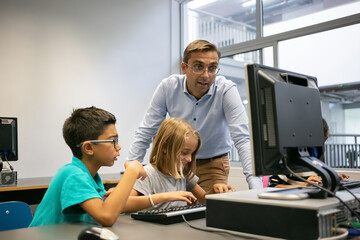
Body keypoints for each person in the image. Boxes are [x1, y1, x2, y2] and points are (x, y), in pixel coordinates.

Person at [127, 40, 263, 191]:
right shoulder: (168, 87)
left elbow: (242, 138)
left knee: (207, 210)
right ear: (184, 67)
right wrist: (130, 174)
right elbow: (146, 131)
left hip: (213, 164)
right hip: (176, 162)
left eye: (212, 68)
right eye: (199, 67)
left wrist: (256, 188)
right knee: (172, 207)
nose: (206, 75)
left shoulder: (226, 90)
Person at [30, 106, 146, 227]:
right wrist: (131, 171)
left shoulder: (92, 176)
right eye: (113, 141)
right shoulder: (72, 174)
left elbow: (112, 204)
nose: (118, 146)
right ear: (89, 148)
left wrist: (162, 197)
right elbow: (107, 216)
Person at [120, 118, 234, 211]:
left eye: (192, 154)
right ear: (165, 147)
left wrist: (214, 191)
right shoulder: (146, 175)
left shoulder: (183, 174)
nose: (189, 159)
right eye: (184, 153)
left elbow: (203, 199)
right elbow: (122, 204)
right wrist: (165, 197)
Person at [269, 118, 349, 188]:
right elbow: (273, 186)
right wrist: (303, 185)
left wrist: (332, 178)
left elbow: (317, 180)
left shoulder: (316, 156)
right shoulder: (289, 157)